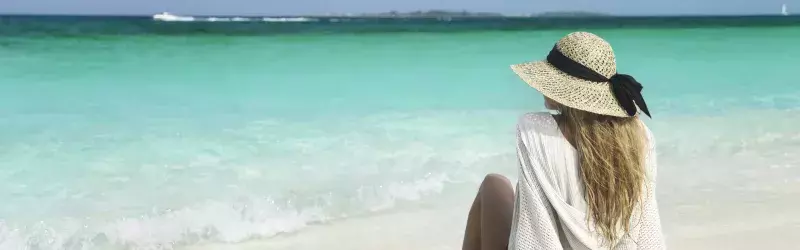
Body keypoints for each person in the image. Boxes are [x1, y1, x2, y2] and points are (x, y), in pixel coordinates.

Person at [462, 32, 666, 250]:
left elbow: (537, 228)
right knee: (494, 185)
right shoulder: (638, 135)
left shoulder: (535, 130)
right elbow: (646, 225)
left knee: (493, 184)